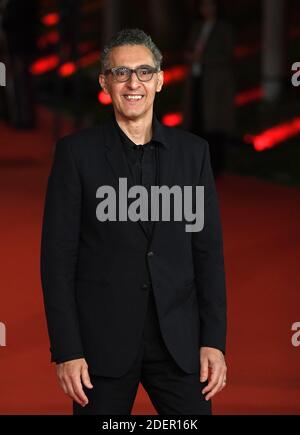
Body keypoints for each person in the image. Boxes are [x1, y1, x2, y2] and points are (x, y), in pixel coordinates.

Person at [40, 28, 227, 415]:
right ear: (105, 82)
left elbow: (207, 253)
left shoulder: (194, 154)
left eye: (144, 72)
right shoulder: (76, 155)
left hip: (179, 343)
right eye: (121, 73)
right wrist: (67, 349)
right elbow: (56, 260)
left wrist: (214, 341)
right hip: (100, 348)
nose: (133, 83)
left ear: (159, 80)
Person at [183, 0, 235, 177]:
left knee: (213, 125)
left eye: (210, 5)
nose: (207, 9)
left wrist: (202, 58)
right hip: (197, 80)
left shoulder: (224, 29)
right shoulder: (197, 27)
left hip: (214, 83)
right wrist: (192, 57)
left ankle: (215, 166)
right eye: (204, 6)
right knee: (196, 123)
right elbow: (190, 49)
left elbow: (226, 55)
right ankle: (196, 166)